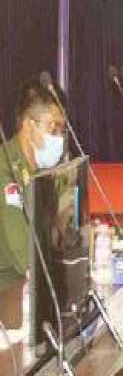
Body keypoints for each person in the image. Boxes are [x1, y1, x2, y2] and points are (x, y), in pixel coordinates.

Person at [0, 78, 66, 299]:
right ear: (29, 127)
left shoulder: (41, 171)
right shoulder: (5, 171)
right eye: (53, 128)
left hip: (30, 286)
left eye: (62, 130)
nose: (59, 139)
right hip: (8, 292)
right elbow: (25, 257)